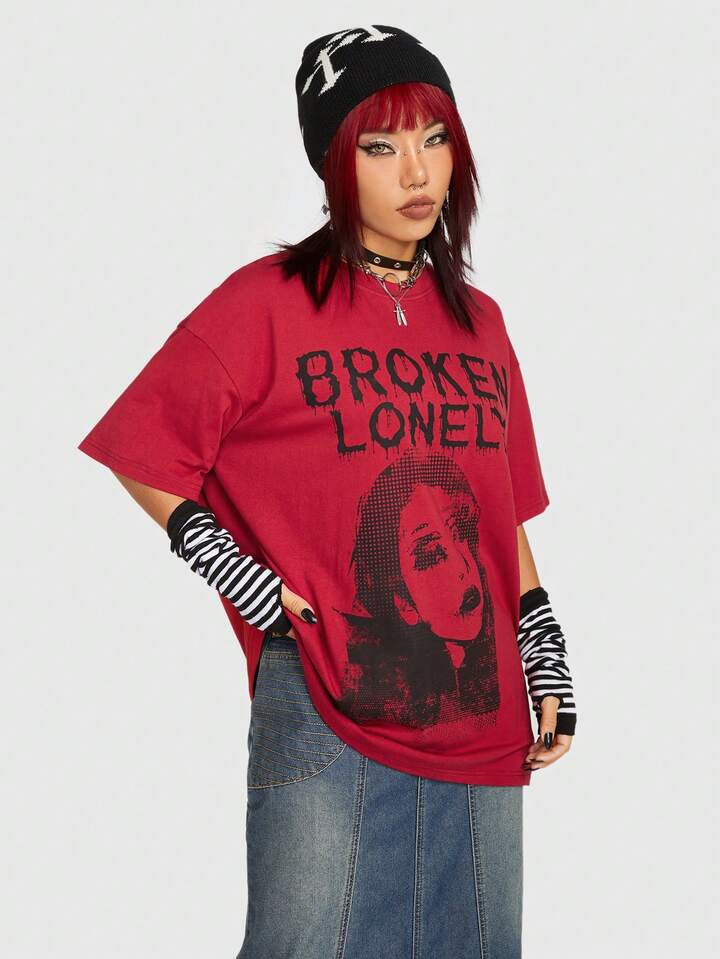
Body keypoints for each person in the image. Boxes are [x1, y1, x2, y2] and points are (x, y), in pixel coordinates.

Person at [77, 24, 578, 959]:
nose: (416, 172)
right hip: (327, 697)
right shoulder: (264, 302)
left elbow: (500, 509)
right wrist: (235, 570)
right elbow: (143, 447)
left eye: (435, 138)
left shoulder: (482, 323)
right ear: (332, 163)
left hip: (480, 714)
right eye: (380, 147)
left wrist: (542, 639)